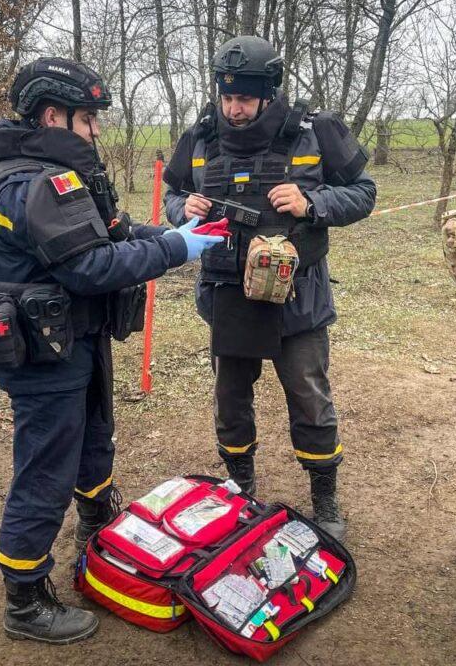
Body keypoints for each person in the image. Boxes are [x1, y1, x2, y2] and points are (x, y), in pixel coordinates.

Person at [0, 57, 222, 644]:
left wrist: (172, 235)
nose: (96, 131)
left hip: (75, 342)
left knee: (93, 439)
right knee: (44, 470)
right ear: (52, 117)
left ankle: (96, 525)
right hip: (44, 355)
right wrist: (177, 250)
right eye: (86, 119)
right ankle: (25, 601)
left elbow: (110, 232)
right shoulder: (35, 184)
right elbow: (90, 266)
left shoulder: (58, 176)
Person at [163, 35, 376, 541]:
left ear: (268, 93)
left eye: (245, 99)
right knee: (230, 398)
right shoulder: (200, 136)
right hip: (227, 293)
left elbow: (364, 192)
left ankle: (324, 497)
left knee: (308, 395)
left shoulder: (314, 131)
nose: (234, 109)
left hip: (297, 296)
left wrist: (312, 203)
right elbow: (174, 191)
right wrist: (181, 211)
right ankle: (240, 489)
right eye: (227, 97)